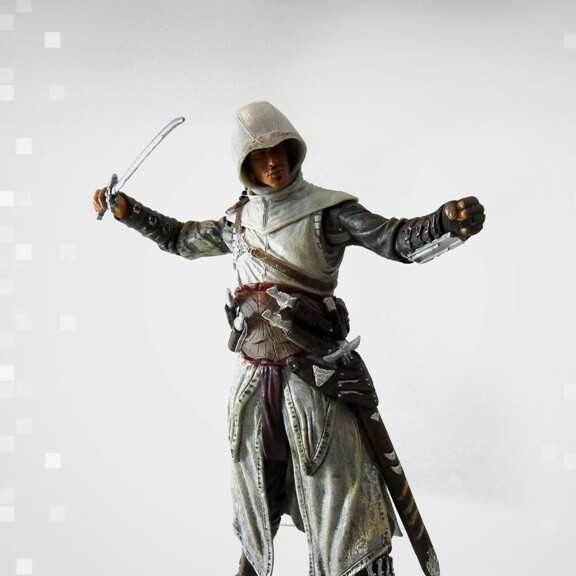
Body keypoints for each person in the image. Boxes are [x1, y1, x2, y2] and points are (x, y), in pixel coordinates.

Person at [92, 101, 485, 576]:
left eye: (279, 150)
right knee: (258, 497)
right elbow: (180, 239)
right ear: (245, 164)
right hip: (253, 384)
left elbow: (394, 239)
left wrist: (444, 222)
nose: (273, 162)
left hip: (315, 380)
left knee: (344, 500)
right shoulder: (237, 223)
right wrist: (129, 211)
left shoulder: (328, 212)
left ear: (294, 151)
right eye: (260, 155)